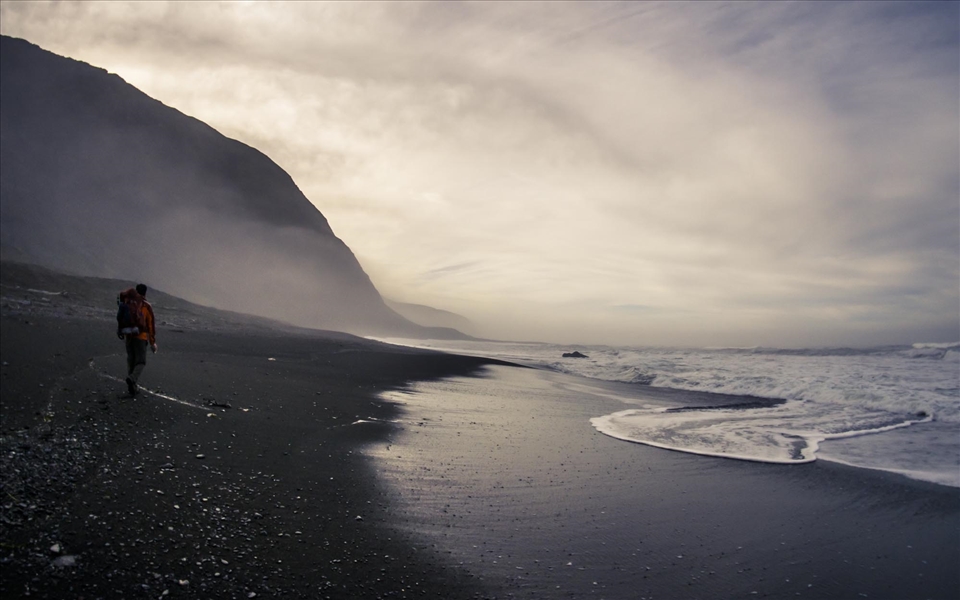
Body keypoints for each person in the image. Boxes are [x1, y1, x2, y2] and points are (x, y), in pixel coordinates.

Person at [119, 283, 157, 396]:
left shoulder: (128, 302)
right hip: (141, 337)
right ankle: (132, 379)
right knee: (141, 361)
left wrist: (121, 331)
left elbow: (121, 317)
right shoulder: (146, 305)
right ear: (145, 293)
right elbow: (150, 325)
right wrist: (152, 342)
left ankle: (132, 387)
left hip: (128, 335)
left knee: (131, 360)